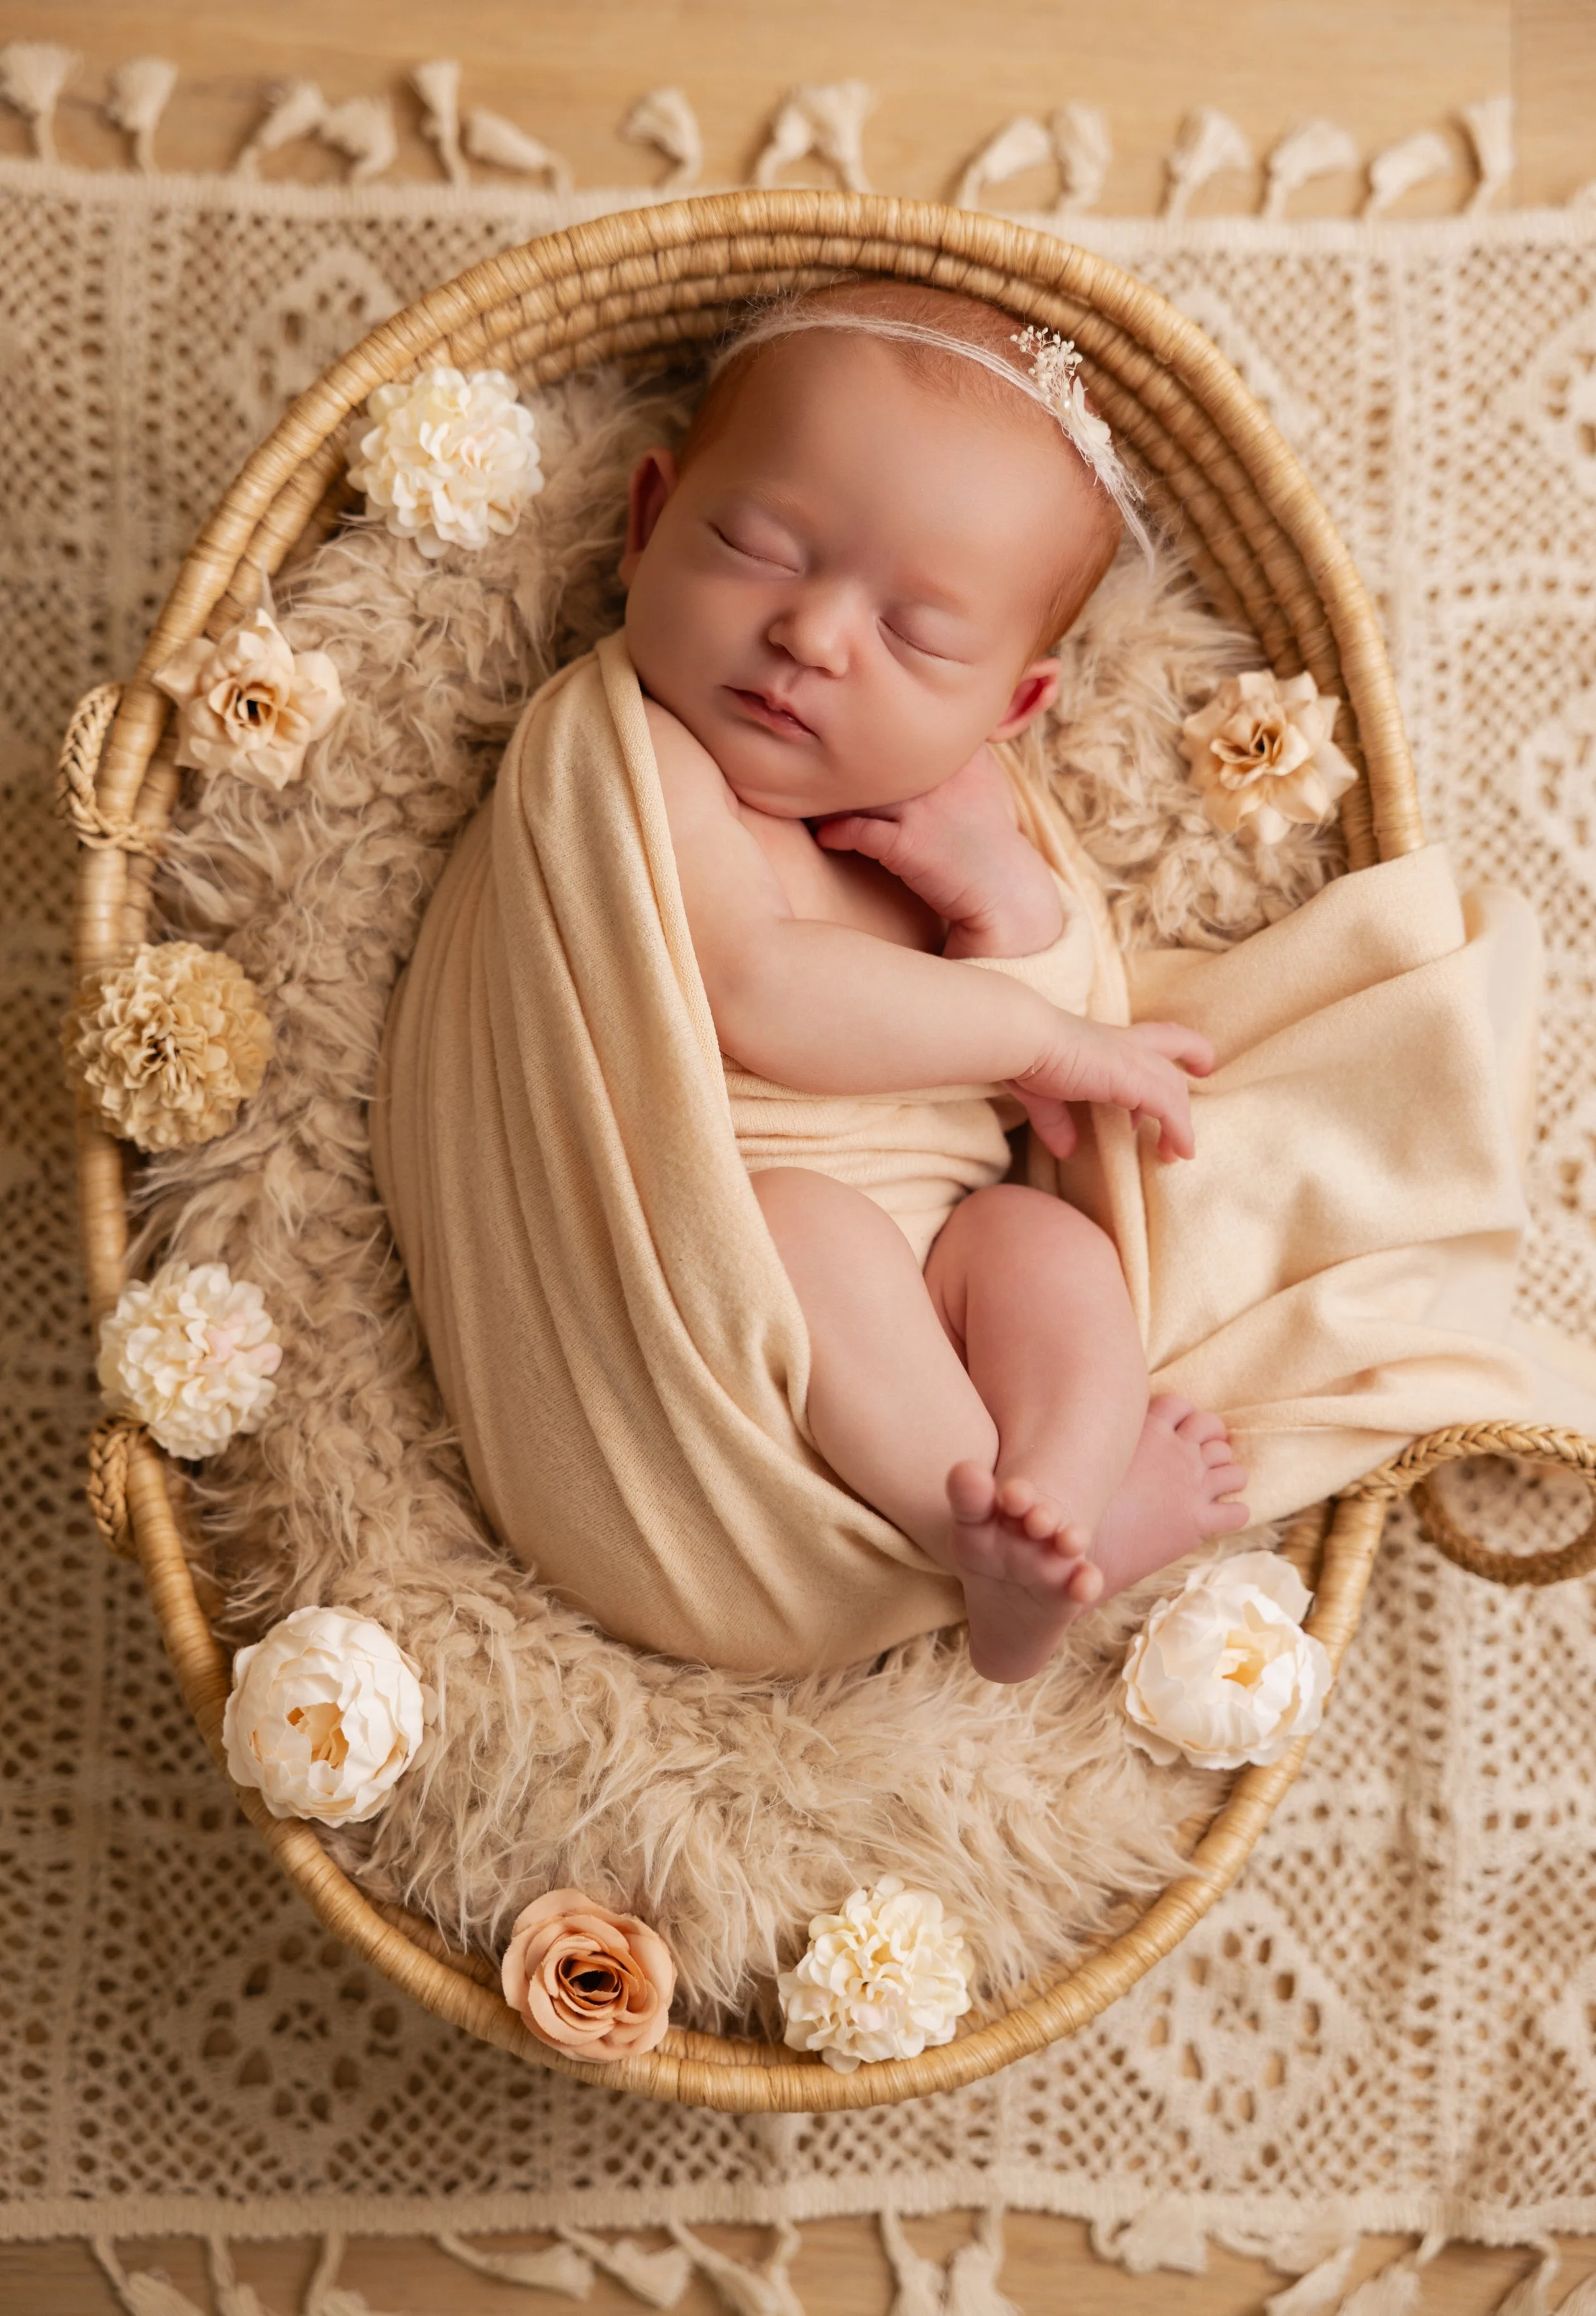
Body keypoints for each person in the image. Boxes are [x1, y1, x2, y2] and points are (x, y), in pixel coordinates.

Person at [619, 280, 1249, 1682]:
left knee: (1043, 1245)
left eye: (919, 637)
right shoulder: (641, 761)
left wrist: (1006, 898)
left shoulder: (971, 811)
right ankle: (967, 1536)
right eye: (756, 548)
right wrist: (1040, 1035)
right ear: (646, 522)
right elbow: (761, 992)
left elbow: (1045, 1095)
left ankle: (1055, 1510)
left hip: (932, 1292)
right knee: (805, 1226)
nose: (814, 635)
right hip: (715, 1316)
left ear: (1007, 706)